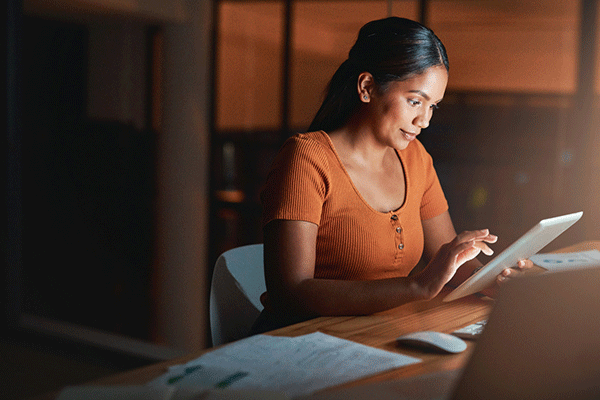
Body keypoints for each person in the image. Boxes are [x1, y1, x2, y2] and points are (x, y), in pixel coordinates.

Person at [252, 17, 532, 333]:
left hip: (377, 336)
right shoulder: (306, 159)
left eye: (433, 107)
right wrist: (417, 287)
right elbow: (290, 293)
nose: (423, 120)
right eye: (415, 101)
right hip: (302, 345)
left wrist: (493, 280)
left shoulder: (416, 160)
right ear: (367, 87)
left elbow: (450, 269)